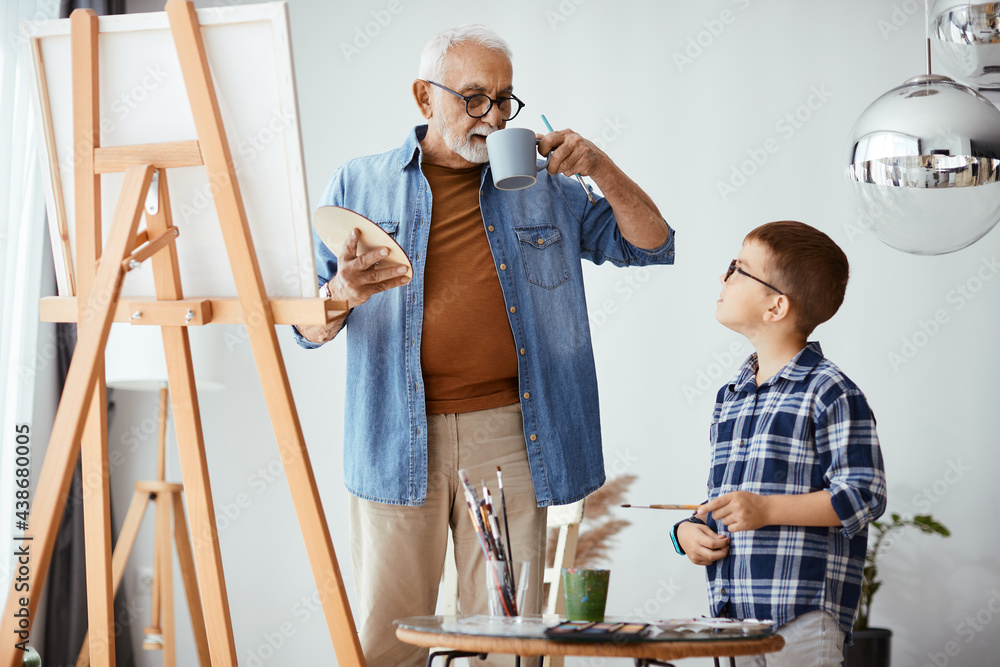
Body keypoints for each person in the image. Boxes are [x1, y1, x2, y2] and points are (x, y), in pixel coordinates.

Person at [293, 24, 674, 666]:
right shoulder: (359, 184)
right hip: (393, 436)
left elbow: (651, 244)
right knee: (388, 642)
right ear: (424, 97)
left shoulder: (548, 187)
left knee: (508, 642)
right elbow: (302, 325)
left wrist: (600, 167)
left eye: (504, 99)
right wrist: (342, 295)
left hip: (514, 437)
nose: (493, 117)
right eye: (473, 97)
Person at [671, 221, 887, 666]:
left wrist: (766, 510)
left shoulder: (830, 391)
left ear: (775, 307)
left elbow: (863, 496)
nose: (723, 277)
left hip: (801, 621)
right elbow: (730, 502)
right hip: (732, 621)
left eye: (738, 269)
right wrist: (687, 531)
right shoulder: (730, 396)